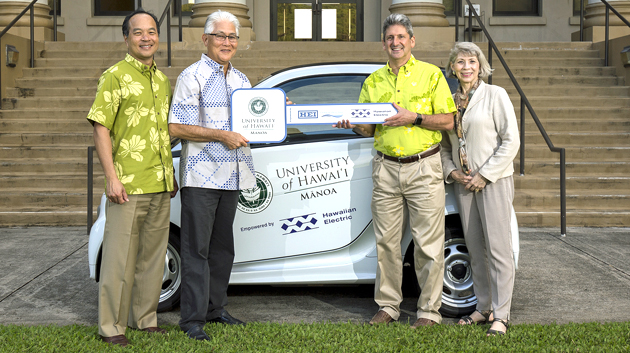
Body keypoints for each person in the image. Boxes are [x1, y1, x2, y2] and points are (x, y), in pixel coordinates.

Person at [335, 13, 456, 328]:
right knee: (386, 243)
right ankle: (388, 306)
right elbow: (366, 128)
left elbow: (449, 121)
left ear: (412, 41)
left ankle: (429, 312)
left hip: (423, 166)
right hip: (386, 168)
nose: (396, 42)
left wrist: (412, 117)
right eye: (390, 37)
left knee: (428, 245)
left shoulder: (432, 75)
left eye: (401, 37)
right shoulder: (374, 81)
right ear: (384, 43)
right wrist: (351, 124)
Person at [87, 9, 178, 347]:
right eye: (138, 32)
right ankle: (111, 326)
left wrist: (169, 172)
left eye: (151, 31)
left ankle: (145, 318)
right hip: (126, 184)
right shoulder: (115, 76)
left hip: (159, 183)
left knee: (152, 258)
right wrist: (111, 177)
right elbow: (101, 128)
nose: (146, 37)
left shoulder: (162, 80)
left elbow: (161, 131)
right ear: (126, 37)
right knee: (118, 259)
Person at [168, 10, 253, 341]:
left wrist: (277, 109)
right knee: (196, 251)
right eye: (221, 36)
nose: (227, 42)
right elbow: (176, 127)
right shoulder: (192, 77)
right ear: (206, 39)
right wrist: (221, 135)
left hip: (232, 177)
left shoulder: (242, 80)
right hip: (201, 177)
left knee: (222, 250)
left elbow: (255, 120)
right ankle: (192, 319)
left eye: (232, 37)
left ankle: (216, 310)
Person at [441, 42, 519, 336]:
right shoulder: (449, 101)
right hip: (464, 184)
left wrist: (484, 175)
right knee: (475, 250)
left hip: (493, 182)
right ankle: (484, 307)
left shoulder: (495, 95)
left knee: (499, 250)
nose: (466, 67)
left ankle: (502, 314)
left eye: (472, 61)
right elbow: (445, 147)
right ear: (452, 67)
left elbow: (511, 141)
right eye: (460, 62)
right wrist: (452, 172)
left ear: (480, 65)